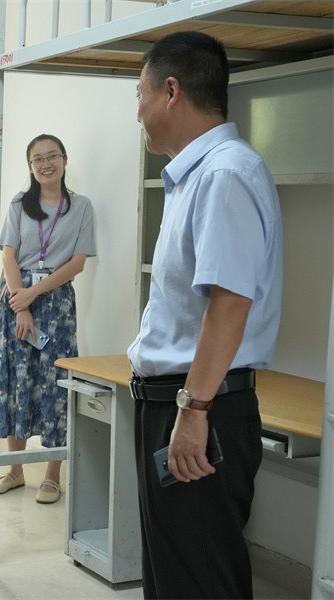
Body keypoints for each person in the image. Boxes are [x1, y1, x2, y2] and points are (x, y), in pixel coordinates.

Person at [127, 31, 283, 598]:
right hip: (182, 402)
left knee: (200, 580)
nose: (138, 113)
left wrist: (193, 412)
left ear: (171, 92)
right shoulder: (196, 176)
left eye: (140, 95)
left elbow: (230, 302)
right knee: (176, 576)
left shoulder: (223, 175)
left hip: (200, 407)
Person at [0, 134, 95, 503]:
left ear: (64, 160)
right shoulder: (19, 204)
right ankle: (15, 470)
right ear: (31, 166)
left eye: (53, 156)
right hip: (15, 297)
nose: (46, 164)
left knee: (56, 382)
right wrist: (21, 305)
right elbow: (8, 254)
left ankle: (53, 476)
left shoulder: (81, 207)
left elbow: (77, 263)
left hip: (55, 303)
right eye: (38, 159)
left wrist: (34, 295)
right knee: (16, 379)